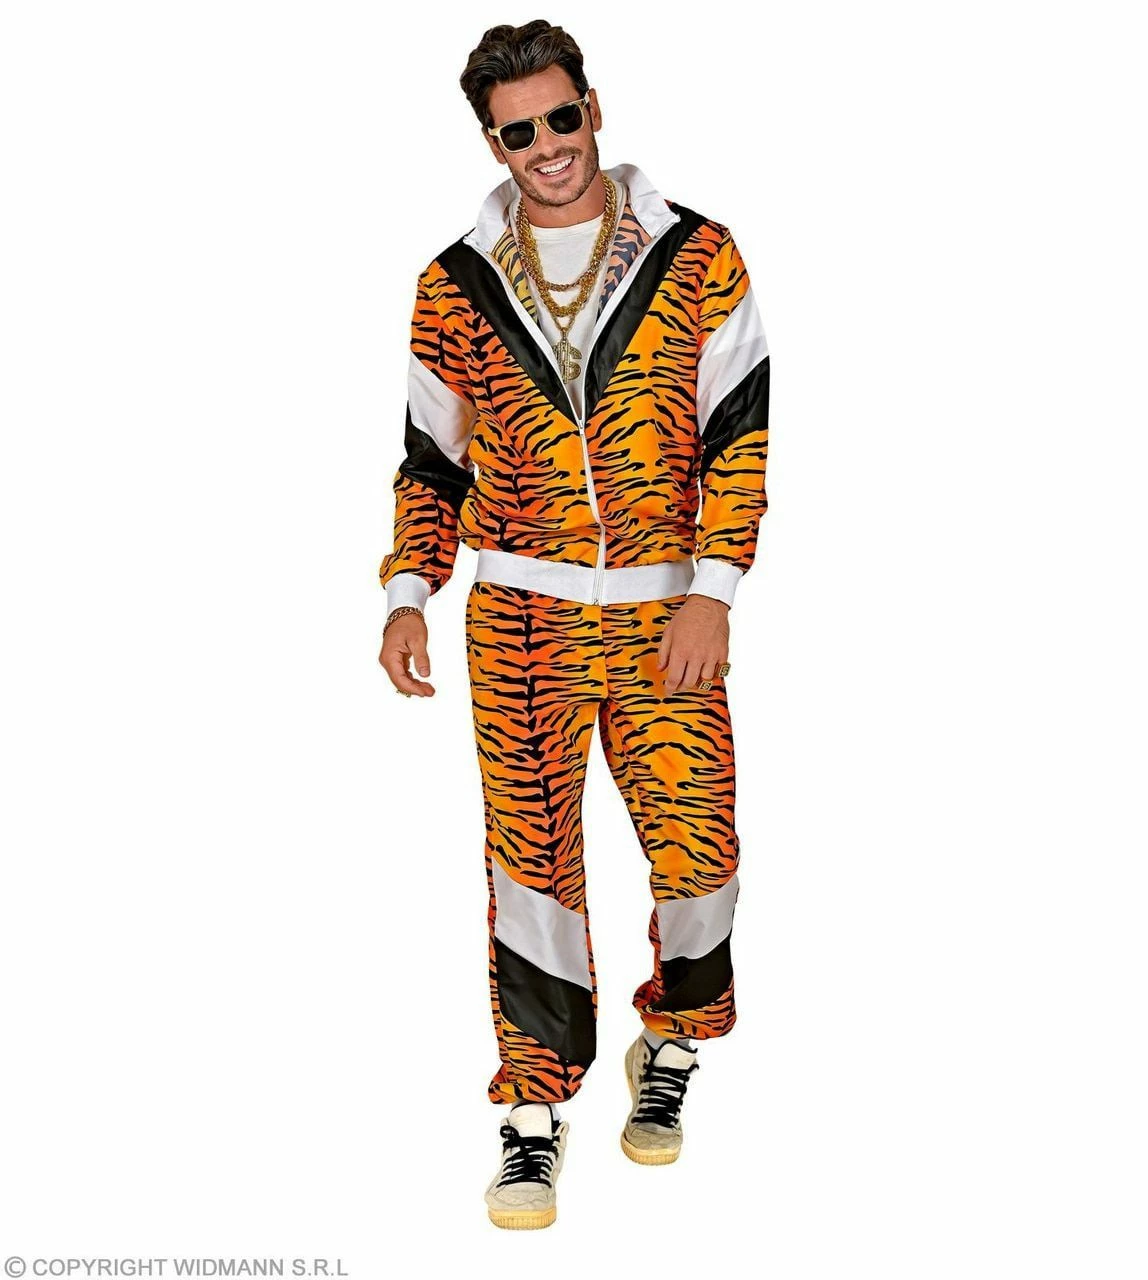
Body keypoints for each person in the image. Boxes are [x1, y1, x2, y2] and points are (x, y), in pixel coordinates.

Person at [377, 19, 770, 1230]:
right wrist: (407, 591)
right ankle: (533, 1110)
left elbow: (738, 429)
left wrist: (711, 587)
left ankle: (674, 1036)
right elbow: (428, 458)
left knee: (698, 853)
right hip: (520, 621)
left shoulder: (696, 253)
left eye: (560, 118)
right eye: (517, 133)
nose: (545, 146)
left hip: (661, 615)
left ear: (591, 108)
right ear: (491, 142)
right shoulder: (453, 281)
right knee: (531, 869)